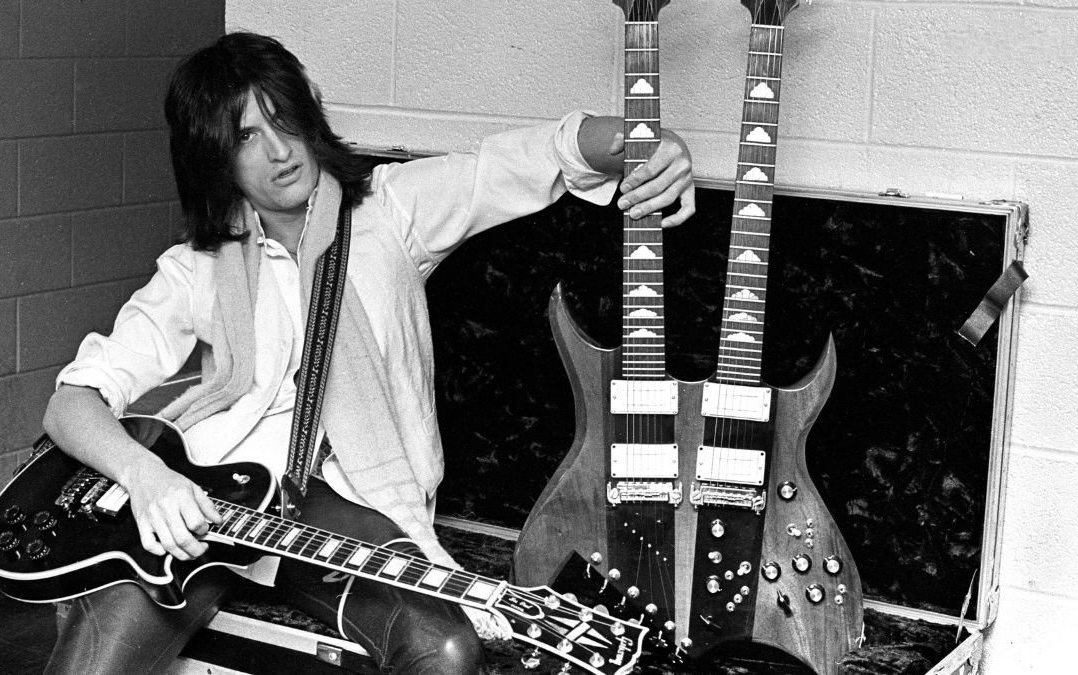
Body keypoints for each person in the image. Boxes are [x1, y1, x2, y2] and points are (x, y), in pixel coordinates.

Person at [41, 31, 695, 675]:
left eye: (282, 119)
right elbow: (72, 402)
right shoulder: (196, 269)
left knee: (444, 650)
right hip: (210, 506)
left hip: (358, 511)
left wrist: (648, 144)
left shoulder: (389, 211)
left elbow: (522, 162)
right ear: (214, 158)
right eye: (244, 136)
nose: (277, 150)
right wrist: (146, 475)